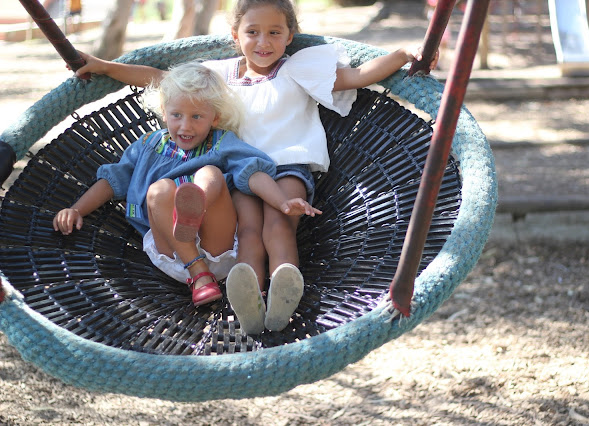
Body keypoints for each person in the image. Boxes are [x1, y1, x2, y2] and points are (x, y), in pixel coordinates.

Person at [71, 0, 437, 333]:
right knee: (247, 232)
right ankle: (249, 299)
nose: (264, 42)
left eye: (275, 32)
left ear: (289, 36)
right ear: (236, 35)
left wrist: (402, 54)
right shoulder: (218, 76)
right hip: (237, 173)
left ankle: (284, 289)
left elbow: (356, 77)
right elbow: (162, 80)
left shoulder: (298, 69)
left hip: (288, 166)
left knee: (278, 224)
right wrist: (105, 66)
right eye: (253, 32)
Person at [53, 62, 320, 317]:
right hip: (172, 251)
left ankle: (195, 206)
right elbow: (114, 180)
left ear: (215, 118)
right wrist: (77, 209)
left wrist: (282, 202)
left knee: (210, 174)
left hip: (219, 247)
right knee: (159, 190)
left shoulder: (221, 142)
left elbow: (252, 173)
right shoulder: (148, 145)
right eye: (176, 115)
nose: (185, 126)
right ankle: (197, 267)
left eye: (197, 117)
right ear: (163, 111)